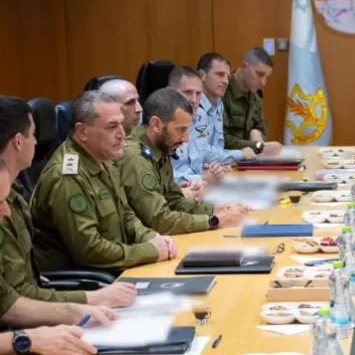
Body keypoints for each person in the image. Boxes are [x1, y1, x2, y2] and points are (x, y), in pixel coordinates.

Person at [0, 97, 136, 307]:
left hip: (48, 292)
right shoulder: (66, 177)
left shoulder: (14, 191)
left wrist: (153, 243)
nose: (36, 142)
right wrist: (91, 300)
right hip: (74, 283)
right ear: (18, 142)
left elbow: (126, 214)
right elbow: (14, 301)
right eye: (33, 134)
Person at [30, 91, 176, 272]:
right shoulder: (67, 177)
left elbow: (126, 215)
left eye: (121, 124)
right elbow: (89, 251)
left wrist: (151, 237)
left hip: (116, 266)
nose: (122, 134)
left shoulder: (103, 158)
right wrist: (149, 251)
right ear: (82, 131)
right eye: (112, 126)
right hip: (87, 278)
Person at [117, 89, 245, 235]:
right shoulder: (136, 158)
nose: (186, 139)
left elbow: (174, 201)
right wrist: (215, 220)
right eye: (180, 130)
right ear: (156, 124)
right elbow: (159, 220)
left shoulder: (160, 147)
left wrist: (216, 209)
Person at [170, 66, 251, 185]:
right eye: (188, 92)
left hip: (198, 187)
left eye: (198, 94)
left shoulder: (200, 115)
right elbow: (158, 176)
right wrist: (201, 177)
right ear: (170, 92)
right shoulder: (161, 123)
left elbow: (204, 151)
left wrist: (210, 168)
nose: (194, 100)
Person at [216, 49, 282, 153]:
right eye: (260, 74)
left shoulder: (255, 96)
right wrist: (258, 146)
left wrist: (256, 133)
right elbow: (221, 140)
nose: (263, 82)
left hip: (250, 158)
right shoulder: (222, 92)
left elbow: (261, 128)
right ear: (244, 66)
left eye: (266, 77)